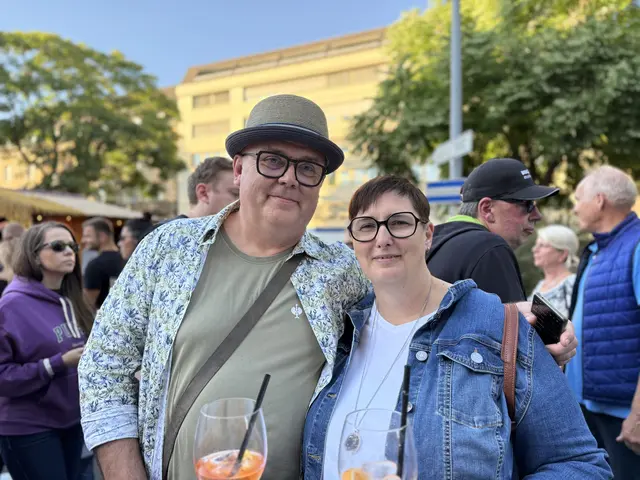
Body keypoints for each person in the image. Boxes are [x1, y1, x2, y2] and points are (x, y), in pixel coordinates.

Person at [78, 94, 576, 480]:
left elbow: (414, 305)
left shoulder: (340, 268)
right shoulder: (169, 248)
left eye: (308, 168)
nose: (289, 179)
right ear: (239, 168)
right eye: (272, 160)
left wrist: (510, 323)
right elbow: (104, 369)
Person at [303, 175, 611, 479]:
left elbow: (580, 464)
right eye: (367, 226)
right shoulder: (337, 330)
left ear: (428, 235)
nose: (382, 238)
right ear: (353, 240)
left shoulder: (498, 328)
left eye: (399, 223)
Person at [0, 222, 94, 480]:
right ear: (33, 255)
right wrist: (57, 363)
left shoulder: (74, 299)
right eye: (58, 246)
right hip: (28, 426)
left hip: (72, 420)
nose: (69, 252)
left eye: (72, 246)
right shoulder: (10, 305)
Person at [567, 165, 640, 478]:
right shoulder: (599, 249)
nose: (574, 207)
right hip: (591, 408)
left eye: (578, 198)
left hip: (625, 417)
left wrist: (638, 414)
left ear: (599, 200)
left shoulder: (636, 247)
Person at [427, 158, 559, 303]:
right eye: (526, 204)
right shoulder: (490, 247)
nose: (537, 215)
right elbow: (515, 317)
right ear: (487, 209)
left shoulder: (433, 241)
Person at [529, 224, 580, 318]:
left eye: (542, 245)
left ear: (563, 254)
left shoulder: (572, 283)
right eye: (536, 245)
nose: (534, 249)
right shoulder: (540, 285)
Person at [81, 217, 124, 309]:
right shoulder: (126, 259)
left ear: (102, 236)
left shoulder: (95, 266)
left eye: (87, 236)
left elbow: (86, 305)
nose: (83, 240)